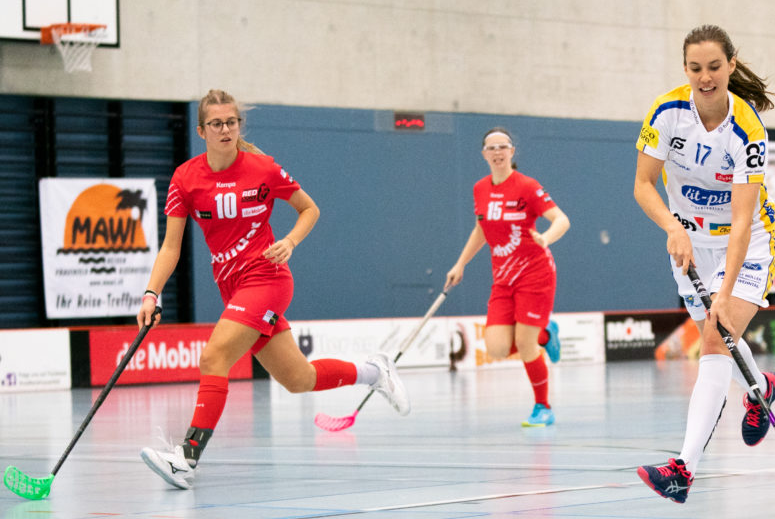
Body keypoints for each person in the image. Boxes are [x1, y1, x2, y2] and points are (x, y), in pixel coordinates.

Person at [138, 90, 409, 489]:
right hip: (232, 287)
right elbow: (171, 246)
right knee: (297, 379)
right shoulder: (185, 178)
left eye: (232, 122)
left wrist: (291, 241)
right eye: (216, 124)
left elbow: (309, 208)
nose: (226, 129)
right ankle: (374, 371)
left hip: (267, 279)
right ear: (201, 131)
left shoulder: (263, 168)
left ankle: (186, 458)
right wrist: (151, 293)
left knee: (214, 356)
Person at [633, 24, 775, 504]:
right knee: (720, 340)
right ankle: (760, 387)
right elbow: (643, 185)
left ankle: (683, 470)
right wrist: (673, 229)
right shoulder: (666, 112)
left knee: (715, 341)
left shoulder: (748, 129)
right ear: (685, 70)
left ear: (731, 66)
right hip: (690, 245)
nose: (705, 77)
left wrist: (724, 290)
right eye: (695, 68)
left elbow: (742, 222)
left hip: (749, 243)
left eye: (715, 67)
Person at [444, 128, 570, 426]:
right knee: (497, 348)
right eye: (492, 147)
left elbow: (561, 219)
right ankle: (546, 332)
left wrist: (547, 237)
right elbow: (481, 230)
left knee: (526, 345)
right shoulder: (479, 189)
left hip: (535, 274)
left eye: (503, 146)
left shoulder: (527, 186)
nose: (498, 152)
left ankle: (543, 408)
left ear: (512, 152)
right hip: (503, 279)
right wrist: (460, 264)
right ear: (484, 154)